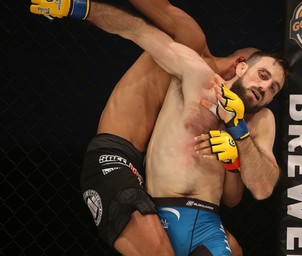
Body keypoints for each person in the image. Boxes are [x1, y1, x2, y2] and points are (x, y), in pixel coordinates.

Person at [30, 0, 260, 255]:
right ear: (241, 64)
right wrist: (76, 6)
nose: (261, 93)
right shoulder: (189, 47)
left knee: (234, 249)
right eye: (262, 77)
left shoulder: (224, 109)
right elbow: (145, 21)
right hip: (114, 157)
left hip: (143, 177)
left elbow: (233, 197)